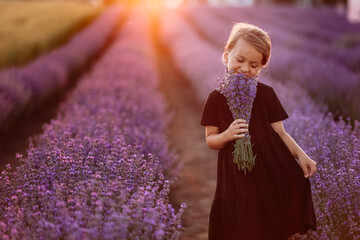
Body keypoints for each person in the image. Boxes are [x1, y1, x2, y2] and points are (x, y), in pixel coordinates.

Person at [200, 22, 317, 240]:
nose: (245, 69)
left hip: (269, 171)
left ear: (261, 67)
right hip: (237, 179)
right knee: (242, 227)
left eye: (254, 65)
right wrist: (226, 135)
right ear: (227, 56)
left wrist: (301, 155)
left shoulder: (266, 94)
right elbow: (210, 140)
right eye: (239, 60)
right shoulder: (216, 98)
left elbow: (281, 133)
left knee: (268, 225)